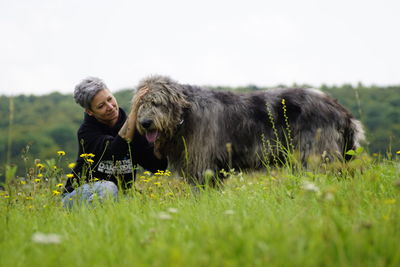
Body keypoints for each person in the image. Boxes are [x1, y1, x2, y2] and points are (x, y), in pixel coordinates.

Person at [62, 77, 167, 208]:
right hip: (76, 197)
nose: (110, 107)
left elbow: (158, 167)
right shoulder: (87, 132)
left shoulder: (136, 129)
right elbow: (116, 151)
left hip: (116, 198)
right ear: (90, 111)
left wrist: (163, 138)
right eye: (101, 106)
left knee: (140, 204)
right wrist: (134, 112)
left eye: (110, 99)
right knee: (108, 188)